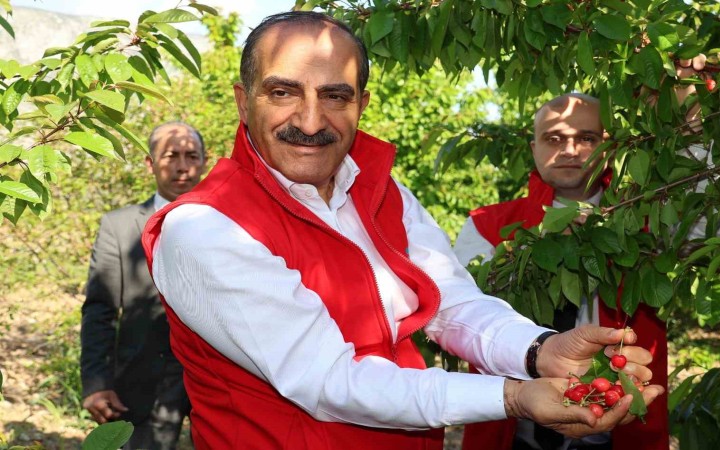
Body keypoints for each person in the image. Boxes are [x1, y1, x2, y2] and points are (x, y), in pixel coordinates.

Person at [140, 12, 664, 450]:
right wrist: (512, 396)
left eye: (335, 96)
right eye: (283, 92)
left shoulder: (381, 191)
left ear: (361, 104)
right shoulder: (205, 227)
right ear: (243, 100)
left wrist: (540, 349)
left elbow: (451, 304)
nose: (310, 120)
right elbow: (328, 381)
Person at [454, 79, 709, 450]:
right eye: (554, 138)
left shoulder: (647, 219)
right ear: (534, 148)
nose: (570, 150)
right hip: (512, 436)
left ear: (610, 145)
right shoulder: (488, 226)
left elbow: (710, 226)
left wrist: (691, 125)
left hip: (620, 434)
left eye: (587, 138)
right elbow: (459, 317)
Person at [80, 122, 206, 449]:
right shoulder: (119, 227)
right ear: (150, 163)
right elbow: (100, 309)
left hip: (216, 380)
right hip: (142, 383)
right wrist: (96, 383)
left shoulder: (231, 224)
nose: (182, 166)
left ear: (205, 162)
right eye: (171, 156)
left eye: (192, 156)